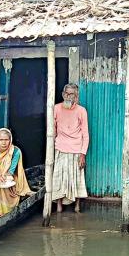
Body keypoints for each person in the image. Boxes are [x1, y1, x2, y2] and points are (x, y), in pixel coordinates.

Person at [52, 83, 89, 213]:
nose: (68, 96)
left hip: (76, 149)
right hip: (60, 148)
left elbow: (85, 134)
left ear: (76, 96)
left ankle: (77, 206)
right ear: (63, 94)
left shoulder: (81, 111)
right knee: (59, 178)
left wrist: (83, 154)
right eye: (66, 94)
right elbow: (53, 130)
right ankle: (59, 206)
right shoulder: (56, 108)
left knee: (77, 178)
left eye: (71, 94)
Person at [0, 128, 33, 220]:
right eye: (1, 140)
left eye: (6, 140)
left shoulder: (15, 151)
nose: (4, 142)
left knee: (5, 185)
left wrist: (6, 176)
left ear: (10, 140)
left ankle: (4, 212)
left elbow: (11, 170)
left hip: (9, 176)